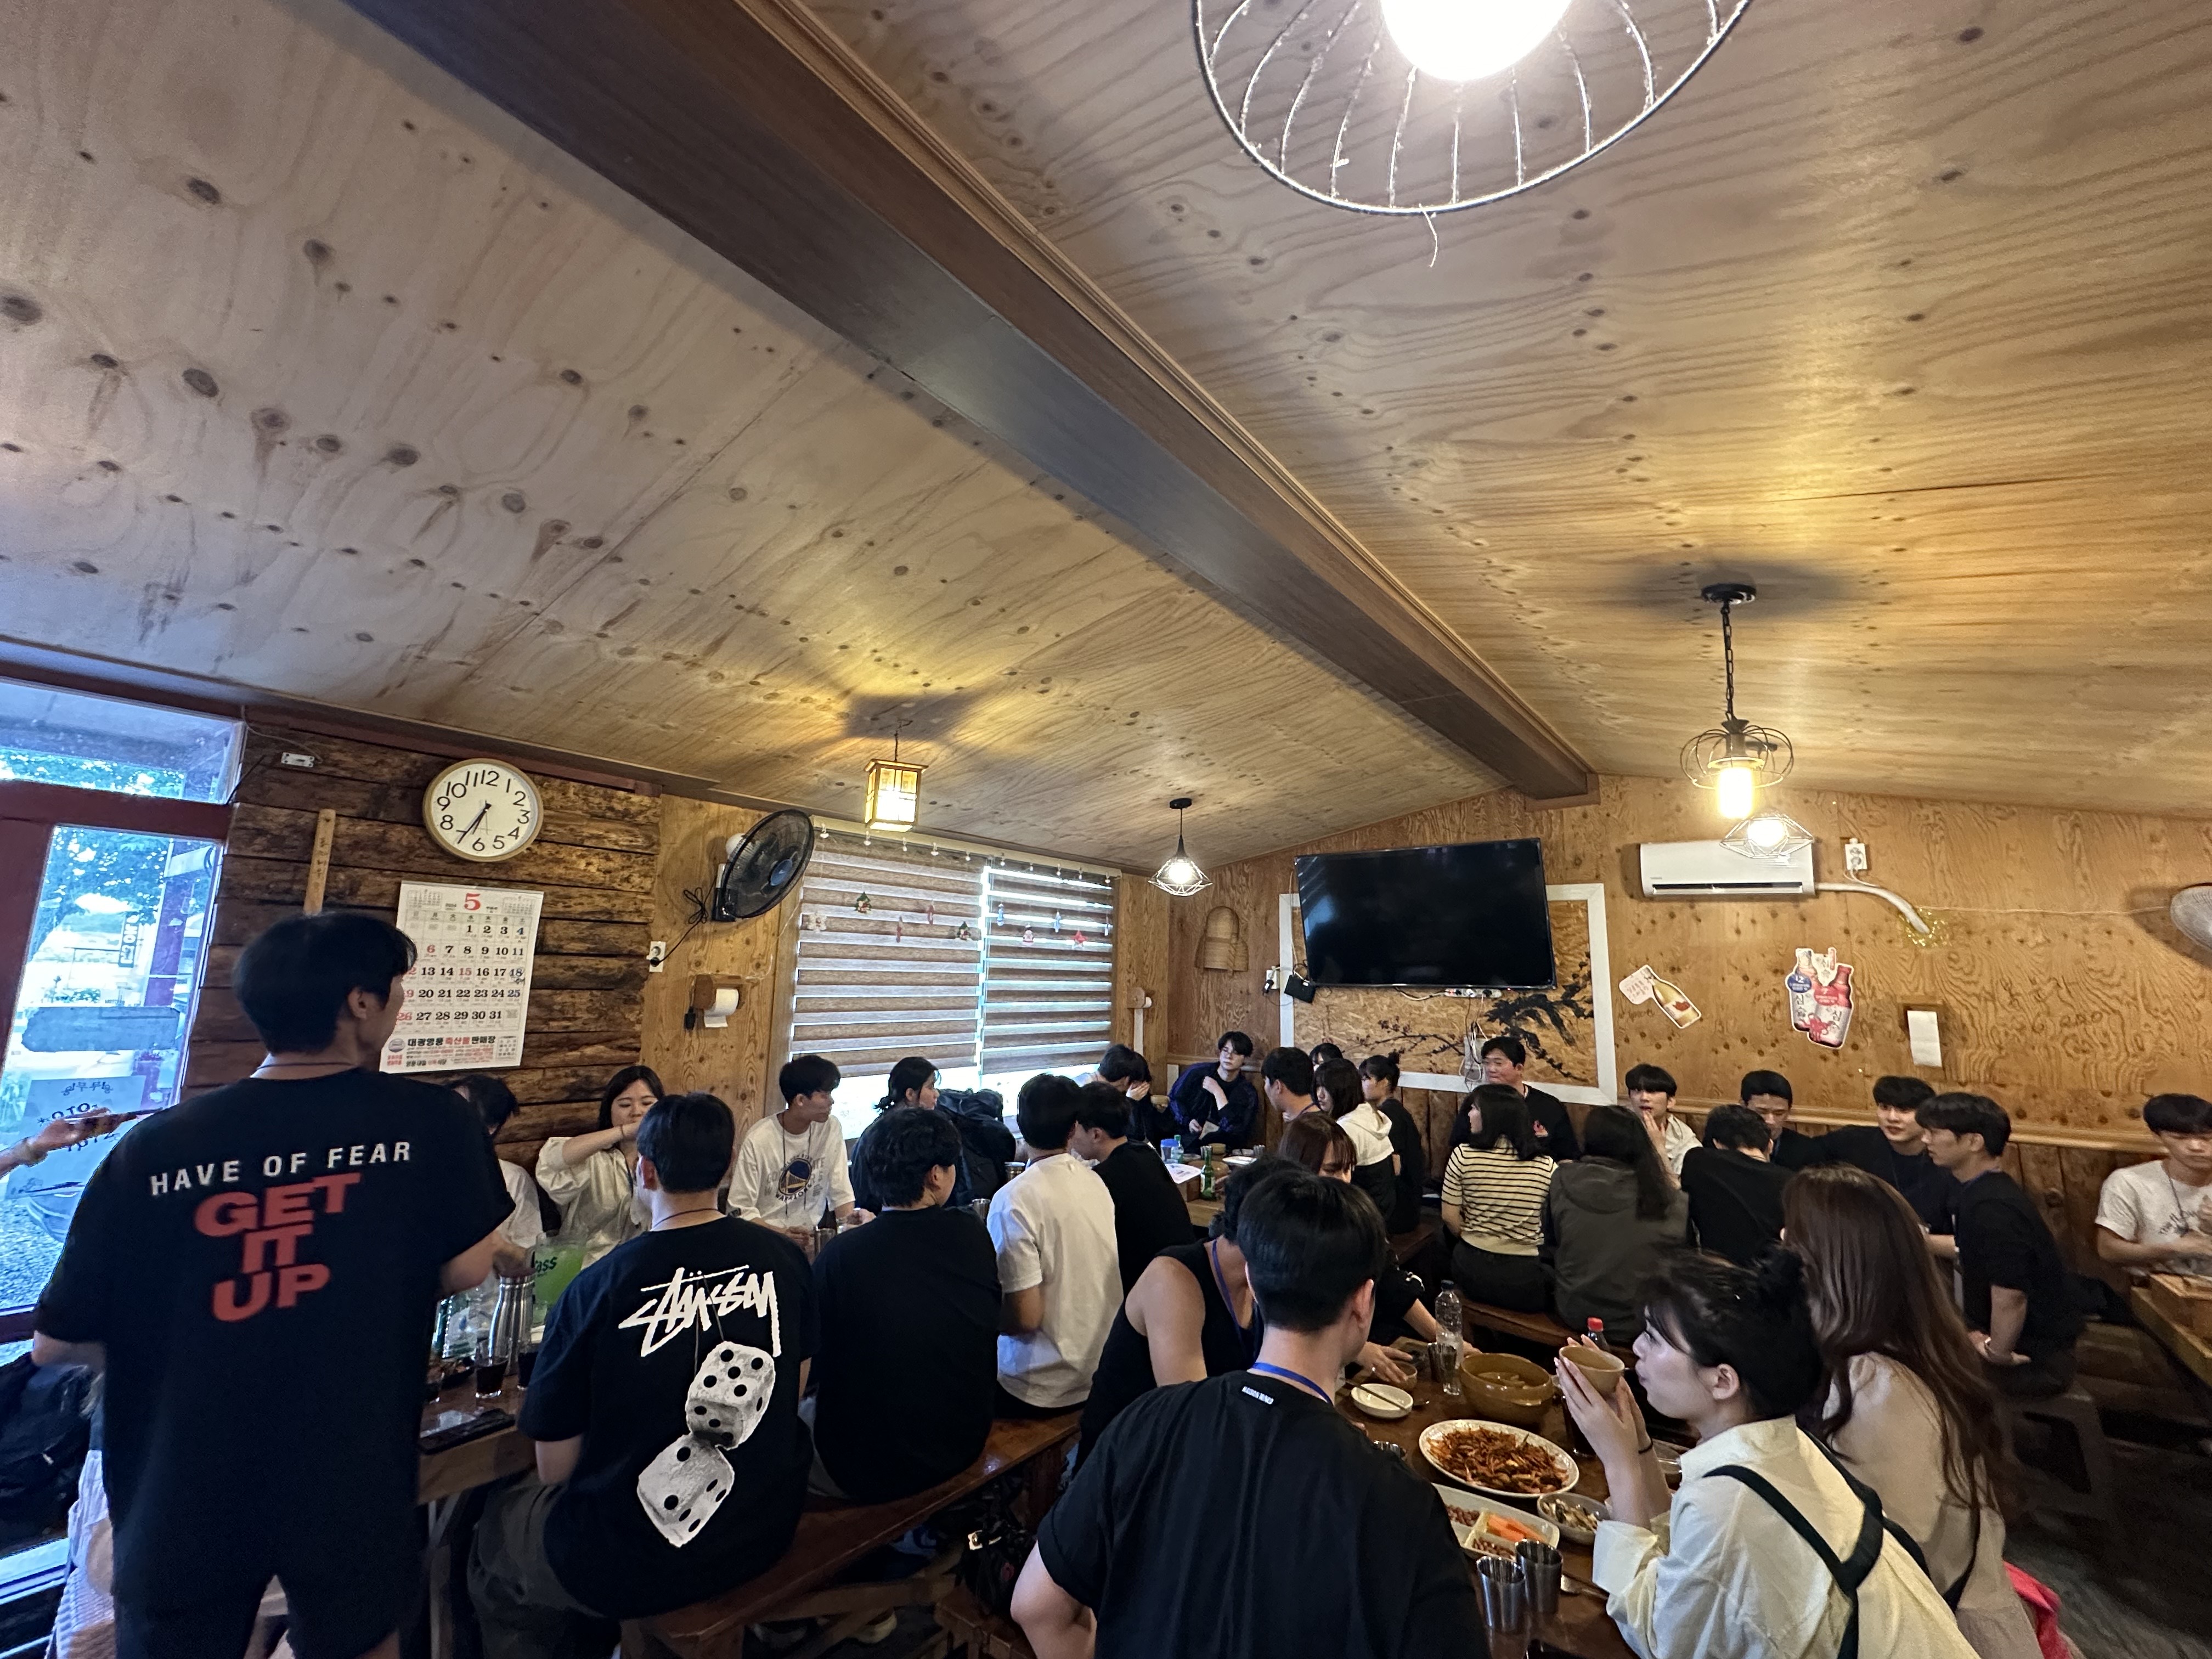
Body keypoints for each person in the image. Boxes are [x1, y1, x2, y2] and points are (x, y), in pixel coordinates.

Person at [34, 912, 510, 1659]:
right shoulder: (430, 1123)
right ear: (360, 1003)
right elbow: (466, 1268)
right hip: (348, 1460)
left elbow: (58, 1341)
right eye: (396, 989)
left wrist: (204, 1340)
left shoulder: (157, 1145)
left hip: (182, 1474)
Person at [1012, 1169, 1488, 1659]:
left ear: (1255, 1287)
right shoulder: (1402, 1504)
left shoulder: (1147, 1421)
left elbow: (1036, 1608)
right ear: (1364, 1303)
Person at [469, 1092, 816, 1655]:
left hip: (634, 1562)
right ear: (729, 1165)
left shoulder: (594, 1288)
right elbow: (791, 1391)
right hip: (764, 1529)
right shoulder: (786, 1259)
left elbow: (555, 1468)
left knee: (493, 1532)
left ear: (645, 1170)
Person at [1555, 1252, 1978, 1659]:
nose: (1637, 1347)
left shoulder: (1731, 1501)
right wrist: (1637, 1444)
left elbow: (1660, 1637)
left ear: (1723, 1381)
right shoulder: (1783, 1447)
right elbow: (1684, 1554)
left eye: (1655, 1338)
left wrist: (1619, 1463)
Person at [1786, 1165, 2042, 1659]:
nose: (1780, 1245)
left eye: (1794, 1237)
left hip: (1932, 1635)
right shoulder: (1900, 1351)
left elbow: (1880, 1557)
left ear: (1835, 1263)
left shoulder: (1880, 1385)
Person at [810, 1108, 998, 1501]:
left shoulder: (842, 1255)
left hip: (867, 1468)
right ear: (936, 1175)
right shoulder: (971, 1233)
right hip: (963, 1439)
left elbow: (815, 1362)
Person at [1077, 1156, 1271, 1460]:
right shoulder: (1173, 1280)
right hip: (1129, 1463)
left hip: (1193, 1454)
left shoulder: (1258, 1284)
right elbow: (1195, 1420)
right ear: (1263, 1235)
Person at [1920, 1094, 2083, 1400]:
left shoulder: (1993, 1208)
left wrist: (1997, 1352)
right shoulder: (1981, 1191)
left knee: (1915, 1376)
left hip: (2035, 1359)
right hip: (2007, 1341)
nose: (1925, 1139)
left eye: (1934, 1132)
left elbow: (2011, 1295)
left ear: (1974, 1142)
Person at [989, 1074, 1122, 1415]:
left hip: (1041, 1384)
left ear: (1021, 1127)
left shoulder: (1013, 1199)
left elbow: (1025, 1318)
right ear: (1074, 1129)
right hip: (1102, 1366)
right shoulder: (1096, 1182)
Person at [1278, 1116, 1433, 1367]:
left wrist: (1440, 1335)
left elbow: (1390, 1280)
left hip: (1359, 1337)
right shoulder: (1281, 1232)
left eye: (1348, 1169)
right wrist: (1355, 1350)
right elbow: (1282, 1318)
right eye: (1331, 1170)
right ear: (1300, 1168)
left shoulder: (1354, 1216)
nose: (1343, 1180)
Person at [1544, 1104, 1690, 1347]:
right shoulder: (1672, 1200)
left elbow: (1551, 1243)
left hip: (1574, 1309)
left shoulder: (1562, 1178)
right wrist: (1661, 1156)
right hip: (1640, 1321)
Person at [1441, 1086, 1557, 1312]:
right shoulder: (1546, 1165)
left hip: (1471, 1270)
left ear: (1492, 1116)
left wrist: (1476, 1236)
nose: (1469, 1115)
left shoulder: (1463, 1155)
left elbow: (1449, 1218)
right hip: (1525, 1279)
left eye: (1474, 1109)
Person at [1070, 1082, 1194, 1292]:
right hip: (1184, 1273)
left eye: (1075, 1129)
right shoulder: (1145, 1153)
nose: (1071, 1137)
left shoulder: (1103, 1178)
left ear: (1096, 1134)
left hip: (1155, 1288)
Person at [538, 1065, 663, 1265]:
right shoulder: (593, 1158)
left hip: (644, 1267)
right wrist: (624, 1132)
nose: (636, 1112)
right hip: (587, 1267)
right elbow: (553, 1162)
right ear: (609, 1110)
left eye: (647, 1103)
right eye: (625, 1105)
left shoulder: (667, 1159)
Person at [1804, 1076, 1957, 1232]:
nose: (1892, 1118)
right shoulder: (1853, 1140)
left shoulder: (1948, 1159)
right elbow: (1803, 1156)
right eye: (1884, 1108)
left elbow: (1964, 1241)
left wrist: (1920, 1240)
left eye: (1904, 1110)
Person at [730, 1055, 855, 1246]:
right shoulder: (759, 1138)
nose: (831, 1101)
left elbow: (841, 1192)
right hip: (766, 1240)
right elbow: (740, 1210)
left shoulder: (830, 1128)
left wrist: (850, 1231)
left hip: (811, 1238)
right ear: (801, 1100)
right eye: (824, 1095)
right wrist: (783, 1234)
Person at [2094, 1091, 2212, 1279]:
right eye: (2179, 1138)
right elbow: (2108, 1250)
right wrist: (2173, 1249)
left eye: (2207, 1138)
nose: (2196, 1147)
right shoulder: (2129, 1182)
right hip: (2162, 1287)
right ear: (2159, 1137)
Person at [451, 1071, 550, 1276]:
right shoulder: (415, 1172)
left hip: (486, 1294)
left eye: (461, 1109)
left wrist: (493, 1244)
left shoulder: (512, 1179)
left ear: (490, 1127)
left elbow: (528, 1263)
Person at [849, 1057, 974, 1212]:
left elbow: (959, 1187)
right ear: (910, 1094)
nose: (937, 1094)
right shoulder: (875, 1137)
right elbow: (865, 1197)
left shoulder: (938, 1128)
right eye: (931, 1087)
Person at [1681, 1104, 1793, 1268]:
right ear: (1770, 1145)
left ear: (1717, 1144)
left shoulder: (1698, 1162)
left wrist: (1660, 1149)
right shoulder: (1791, 1181)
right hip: (1771, 1275)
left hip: (1715, 1273)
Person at [1463, 1035, 1581, 1160]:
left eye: (1498, 1063)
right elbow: (1459, 1144)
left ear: (1519, 1068)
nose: (1491, 1069)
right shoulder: (1476, 1104)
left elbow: (1567, 1156)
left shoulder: (1550, 1106)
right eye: (1486, 1063)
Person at [1319, 1057, 1398, 1223]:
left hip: (1363, 1218)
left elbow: (1335, 1185)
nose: (1320, 1094)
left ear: (1343, 1090)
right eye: (1318, 1086)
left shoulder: (1347, 1128)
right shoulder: (1368, 1113)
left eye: (1327, 1088)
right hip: (1383, 1209)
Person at [1360, 1053, 1428, 1235]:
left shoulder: (1389, 1114)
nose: (1362, 1084)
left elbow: (1395, 1168)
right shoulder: (1390, 1109)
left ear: (1384, 1082)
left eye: (1366, 1079)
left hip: (1400, 1210)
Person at [1167, 1031, 1261, 1149]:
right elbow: (1174, 1099)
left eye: (1236, 1053)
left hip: (1223, 1148)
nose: (1229, 1056)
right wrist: (1188, 1121)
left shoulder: (1247, 1092)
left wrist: (1218, 1093)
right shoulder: (1197, 1072)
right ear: (1220, 1052)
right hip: (1187, 1142)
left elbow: (1235, 1129)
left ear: (1245, 1059)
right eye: (1225, 1050)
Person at [1624, 1063, 1698, 1177]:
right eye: (1637, 1090)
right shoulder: (1617, 1124)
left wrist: (1659, 1150)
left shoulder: (1686, 1143)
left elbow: (1676, 1186)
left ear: (1670, 1102)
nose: (1644, 1098)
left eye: (1652, 1091)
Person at [1742, 1069, 1820, 1171]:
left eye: (1779, 1113)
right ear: (1744, 1106)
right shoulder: (1727, 1144)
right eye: (1762, 1112)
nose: (1770, 1121)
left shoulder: (1807, 1150)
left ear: (1788, 1112)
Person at [1098, 1043, 1173, 1146]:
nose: (1143, 1086)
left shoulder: (1137, 1096)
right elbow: (1134, 1137)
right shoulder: (1100, 1096)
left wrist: (1162, 1111)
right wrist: (1131, 1102)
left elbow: (1165, 1132)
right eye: (1140, 1082)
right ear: (1127, 1080)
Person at [1258, 1046, 1317, 1132]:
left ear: (1278, 1086)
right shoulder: (1324, 1120)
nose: (1265, 1087)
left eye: (1266, 1081)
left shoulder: (1303, 1131)